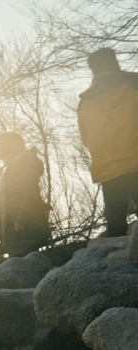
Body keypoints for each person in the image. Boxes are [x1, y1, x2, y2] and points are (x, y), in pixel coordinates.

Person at [78, 48, 138, 238]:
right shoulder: (134, 83)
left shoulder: (84, 101)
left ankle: (118, 264)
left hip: (108, 169)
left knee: (116, 223)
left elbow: (85, 139)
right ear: (114, 62)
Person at [0, 132, 52, 257]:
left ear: (8, 145)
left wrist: (22, 219)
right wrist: (1, 228)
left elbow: (31, 192)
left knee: (30, 268)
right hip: (12, 229)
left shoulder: (24, 162)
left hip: (23, 227)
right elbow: (4, 203)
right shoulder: (10, 168)